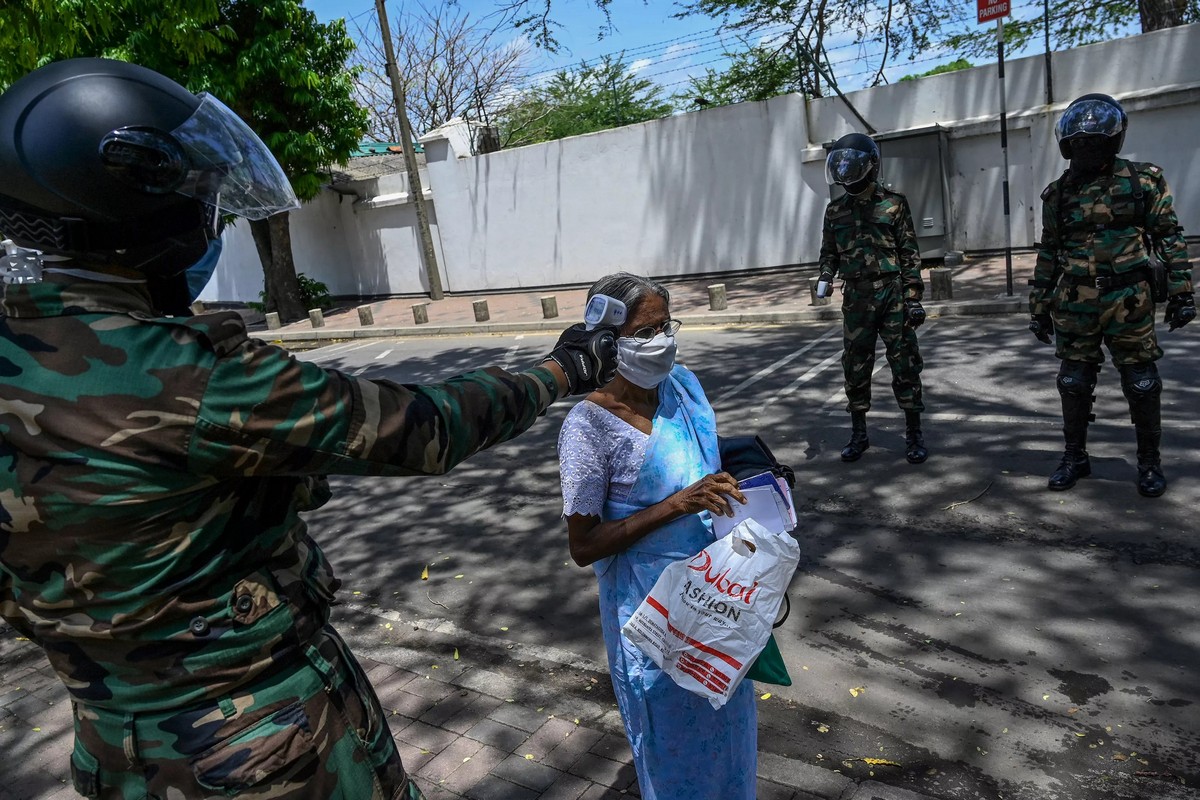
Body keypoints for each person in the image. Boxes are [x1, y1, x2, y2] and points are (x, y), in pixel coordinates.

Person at [0, 58, 619, 800]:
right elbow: (426, 428)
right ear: (133, 208)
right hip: (259, 744)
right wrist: (562, 371)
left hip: (109, 746)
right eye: (199, 199)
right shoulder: (186, 373)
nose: (209, 221)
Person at [556, 272, 757, 800]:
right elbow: (585, 546)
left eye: (666, 326)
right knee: (671, 744)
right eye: (645, 332)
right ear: (606, 343)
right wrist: (677, 505)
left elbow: (704, 464)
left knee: (730, 732)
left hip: (715, 600)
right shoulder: (589, 426)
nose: (661, 341)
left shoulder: (683, 386)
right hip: (651, 618)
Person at [1028, 93, 1193, 497]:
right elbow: (1050, 250)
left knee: (1141, 384)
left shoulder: (1144, 180)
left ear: (1114, 140)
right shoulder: (1057, 193)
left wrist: (1181, 292)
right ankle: (1074, 457)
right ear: (1067, 145)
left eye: (1095, 141)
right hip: (1075, 301)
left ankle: (1149, 464)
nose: (1086, 148)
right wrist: (1038, 306)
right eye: (1079, 142)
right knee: (1072, 382)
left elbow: (1167, 235)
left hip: (1129, 299)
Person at [818, 132, 928, 464]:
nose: (847, 172)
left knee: (905, 363)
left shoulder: (893, 203)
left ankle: (914, 434)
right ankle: (859, 434)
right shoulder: (835, 210)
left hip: (892, 295)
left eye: (853, 165)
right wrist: (825, 274)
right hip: (856, 298)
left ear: (871, 165)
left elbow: (909, 254)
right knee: (855, 365)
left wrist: (913, 298)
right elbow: (828, 254)